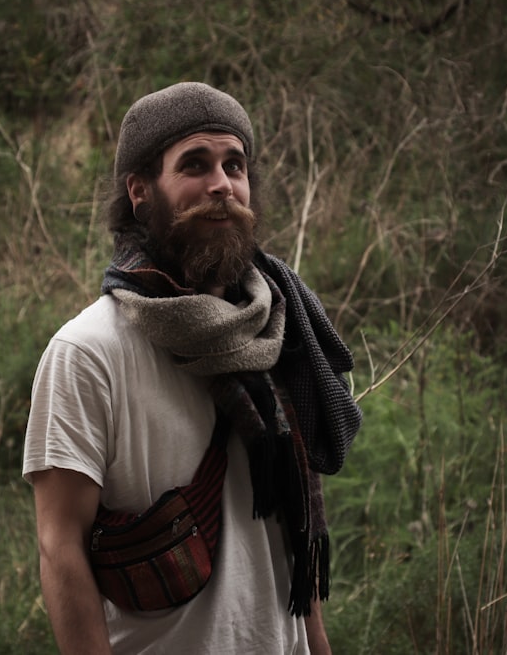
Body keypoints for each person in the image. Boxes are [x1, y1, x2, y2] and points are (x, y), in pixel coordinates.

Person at [23, 81, 362, 655]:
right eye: (195, 165)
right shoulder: (87, 354)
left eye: (235, 165)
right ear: (140, 190)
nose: (222, 185)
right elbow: (61, 549)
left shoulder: (278, 331)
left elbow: (292, 536)